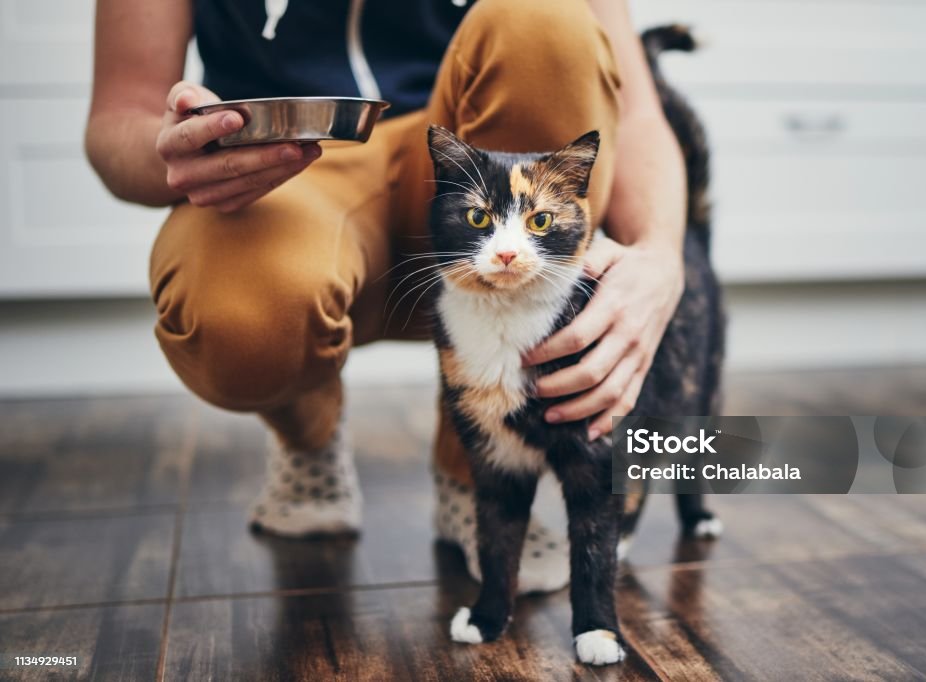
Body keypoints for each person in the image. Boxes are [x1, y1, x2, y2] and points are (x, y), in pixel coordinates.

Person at [86, 0, 687, 592]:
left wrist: (661, 254)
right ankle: (307, 433)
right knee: (240, 324)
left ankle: (478, 471)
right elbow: (120, 117)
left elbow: (634, 111)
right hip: (284, 164)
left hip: (476, 156)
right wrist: (176, 149)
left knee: (546, 19)